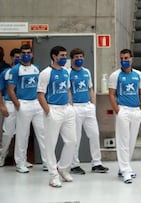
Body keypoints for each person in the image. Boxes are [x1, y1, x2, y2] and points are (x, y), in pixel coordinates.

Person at [37, 45, 77, 188]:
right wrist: (48, 112)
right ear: (54, 56)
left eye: (65, 55)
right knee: (50, 145)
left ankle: (63, 168)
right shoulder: (46, 73)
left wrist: (71, 106)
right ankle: (53, 175)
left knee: (72, 141)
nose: (64, 58)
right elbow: (40, 95)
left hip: (67, 110)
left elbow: (67, 90)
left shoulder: (66, 72)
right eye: (61, 55)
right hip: (53, 110)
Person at [68, 48, 109, 174]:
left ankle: (96, 163)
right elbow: (68, 90)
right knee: (76, 137)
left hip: (88, 107)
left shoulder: (86, 72)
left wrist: (93, 104)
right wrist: (71, 105)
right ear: (72, 59)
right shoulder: (68, 73)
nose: (79, 59)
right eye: (76, 57)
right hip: (76, 107)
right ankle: (74, 164)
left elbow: (90, 88)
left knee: (94, 134)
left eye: (81, 56)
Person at [7, 44, 47, 173]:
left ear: (32, 54)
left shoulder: (36, 69)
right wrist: (18, 105)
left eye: (28, 52)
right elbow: (11, 90)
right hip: (23, 104)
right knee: (22, 135)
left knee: (42, 133)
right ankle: (20, 163)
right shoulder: (15, 70)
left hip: (37, 104)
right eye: (23, 52)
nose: (26, 55)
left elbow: (41, 87)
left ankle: (47, 162)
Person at [108, 49, 141, 184]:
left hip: (136, 111)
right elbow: (111, 94)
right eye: (122, 58)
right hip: (123, 110)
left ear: (131, 59)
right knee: (123, 141)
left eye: (126, 58)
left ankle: (124, 166)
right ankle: (126, 171)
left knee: (131, 141)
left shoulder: (139, 75)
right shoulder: (115, 75)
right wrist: (117, 110)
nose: (124, 60)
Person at [0, 48, 21, 166]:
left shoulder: (27, 71)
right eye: (16, 57)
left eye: (20, 56)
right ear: (12, 57)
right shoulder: (5, 72)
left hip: (23, 104)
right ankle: (2, 155)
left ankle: (21, 159)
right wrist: (2, 106)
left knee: (22, 133)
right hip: (9, 104)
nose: (18, 59)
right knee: (7, 133)